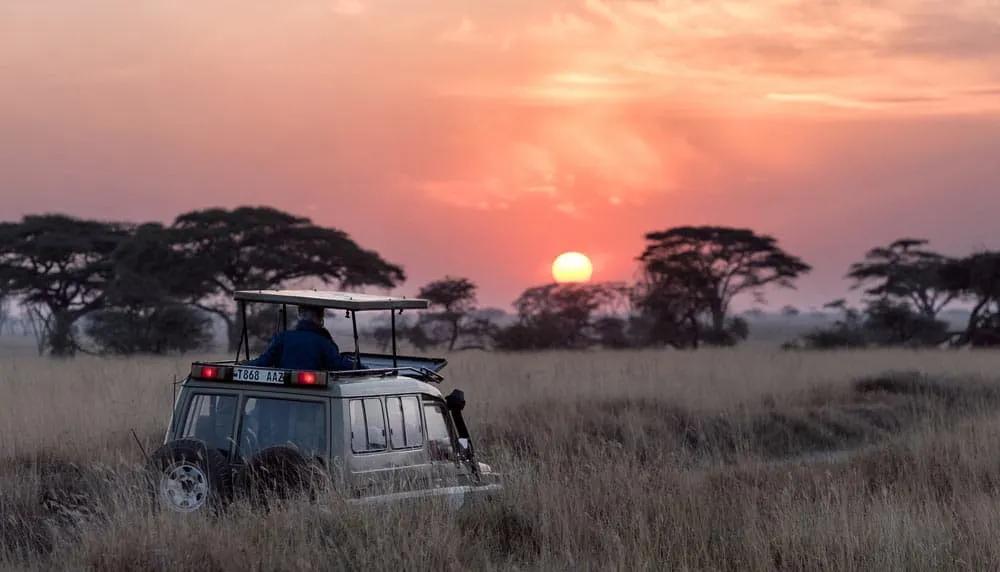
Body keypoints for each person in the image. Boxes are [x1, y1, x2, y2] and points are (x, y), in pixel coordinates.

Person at [245, 305, 360, 371]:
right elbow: (337, 364)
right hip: (314, 398)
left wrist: (244, 365)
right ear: (320, 317)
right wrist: (360, 367)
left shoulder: (282, 337)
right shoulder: (323, 342)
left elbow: (264, 361)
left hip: (282, 398)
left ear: (299, 315)